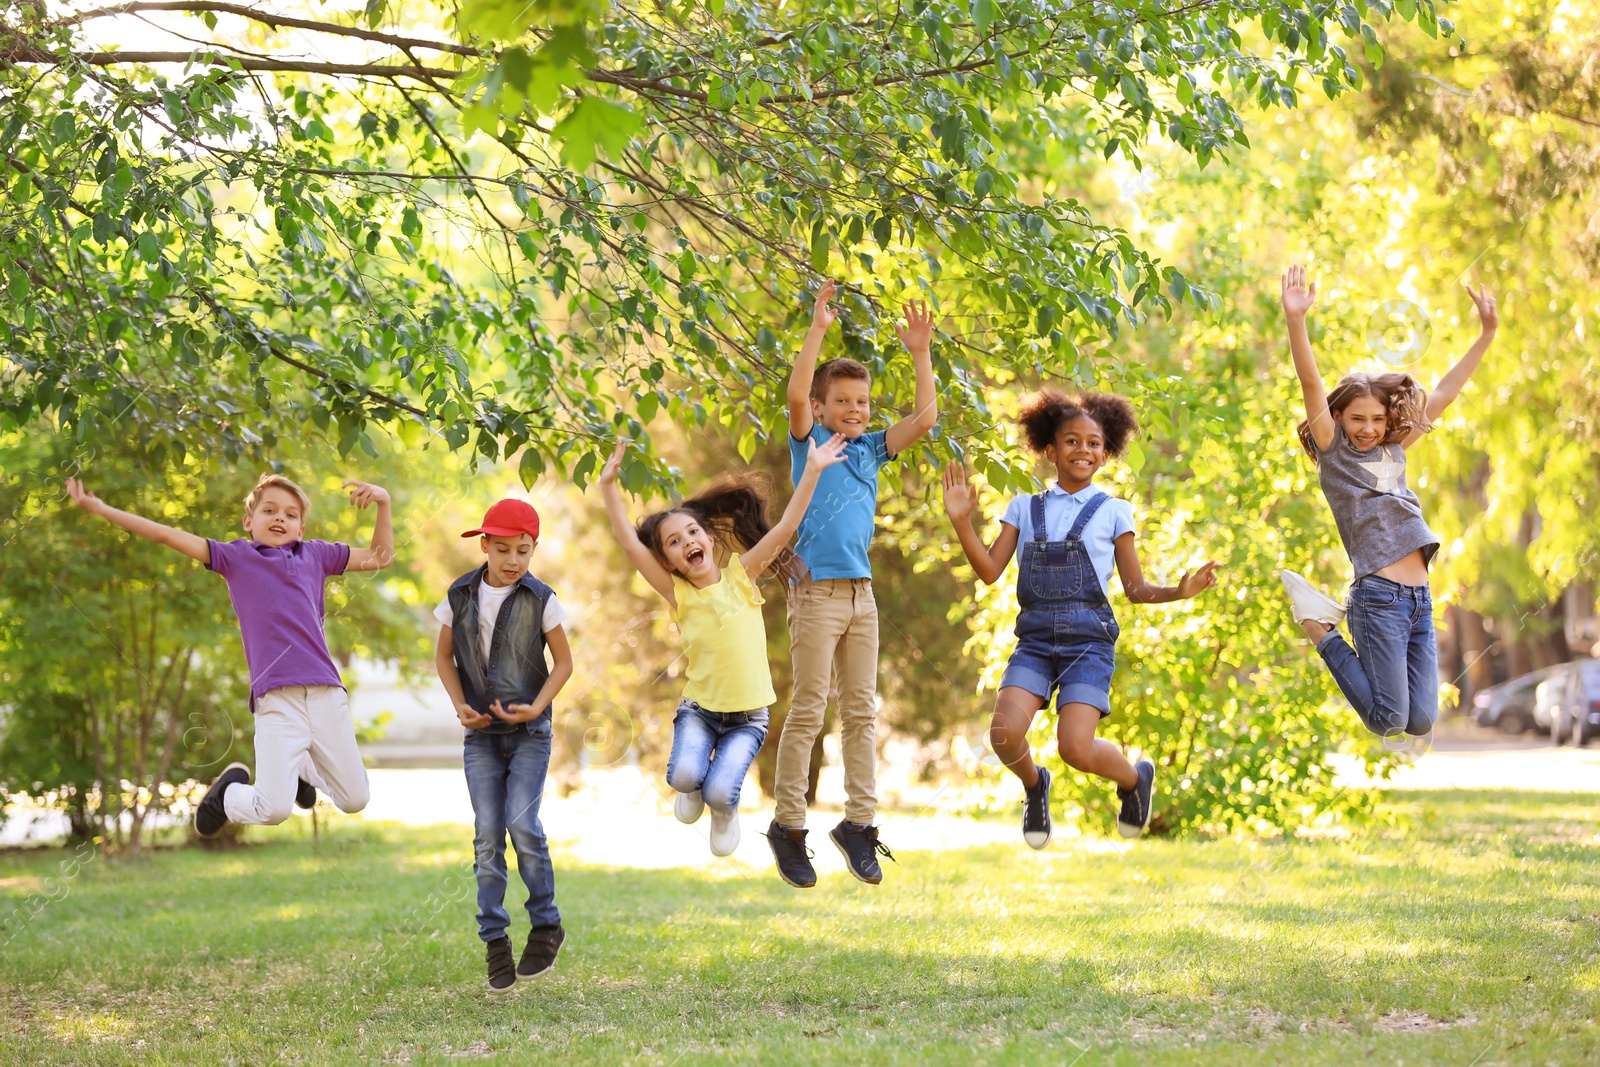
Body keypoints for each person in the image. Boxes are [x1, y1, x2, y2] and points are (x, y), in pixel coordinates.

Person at [941, 389, 1218, 846]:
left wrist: (1179, 592)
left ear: (1105, 454)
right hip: (1033, 643)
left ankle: (1133, 780)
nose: (1083, 450)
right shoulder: (1023, 508)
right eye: (1072, 441)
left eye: (1093, 443)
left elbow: (1135, 590)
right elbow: (989, 572)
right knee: (1004, 735)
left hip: (1088, 644)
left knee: (1074, 748)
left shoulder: (1114, 512)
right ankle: (1035, 785)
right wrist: (961, 522)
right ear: (1049, 450)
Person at [65, 472, 391, 837]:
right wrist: (101, 508)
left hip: (326, 693)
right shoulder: (235, 557)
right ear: (249, 522)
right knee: (273, 810)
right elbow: (164, 534)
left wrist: (383, 502)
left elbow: (380, 557)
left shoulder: (316, 554)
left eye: (290, 514)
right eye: (270, 510)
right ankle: (227, 796)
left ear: (301, 528)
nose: (280, 518)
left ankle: (301, 770)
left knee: (354, 799)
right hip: (277, 698)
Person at [600, 433, 848, 862]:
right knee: (682, 777)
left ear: (710, 540)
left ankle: (722, 807)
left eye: (692, 532)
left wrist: (813, 469)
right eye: (673, 542)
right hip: (699, 711)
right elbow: (628, 544)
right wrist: (608, 487)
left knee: (719, 790)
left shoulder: (742, 575)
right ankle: (695, 788)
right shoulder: (677, 593)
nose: (687, 542)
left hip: (747, 718)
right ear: (667, 563)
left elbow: (787, 526)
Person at [1277, 264, 1498, 743]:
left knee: (1420, 722)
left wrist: (1486, 334)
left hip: (1419, 598)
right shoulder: (1334, 453)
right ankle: (1319, 628)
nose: (1369, 428)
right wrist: (1297, 319)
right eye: (1357, 419)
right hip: (1379, 598)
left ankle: (1326, 626)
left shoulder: (1395, 449)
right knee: (1386, 719)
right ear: (1337, 417)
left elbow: (1445, 391)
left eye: (1377, 419)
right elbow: (1311, 383)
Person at [769, 282, 939, 888]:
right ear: (821, 409)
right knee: (810, 710)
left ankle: (859, 825)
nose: (856, 411)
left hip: (861, 596)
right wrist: (816, 328)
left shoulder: (869, 451)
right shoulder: (810, 443)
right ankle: (788, 827)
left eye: (863, 402)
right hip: (814, 597)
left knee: (861, 713)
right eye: (843, 401)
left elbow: (925, 419)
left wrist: (920, 352)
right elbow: (794, 392)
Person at [433, 498, 573, 993]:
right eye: (504, 549)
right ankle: (495, 939)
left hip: (529, 735)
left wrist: (537, 707)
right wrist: (459, 706)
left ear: (533, 550)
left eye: (524, 550)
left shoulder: (542, 598)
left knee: (521, 822)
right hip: (481, 738)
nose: (513, 560)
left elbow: (563, 664)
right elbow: (445, 659)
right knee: (488, 836)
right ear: (485, 544)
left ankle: (547, 923)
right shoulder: (459, 594)